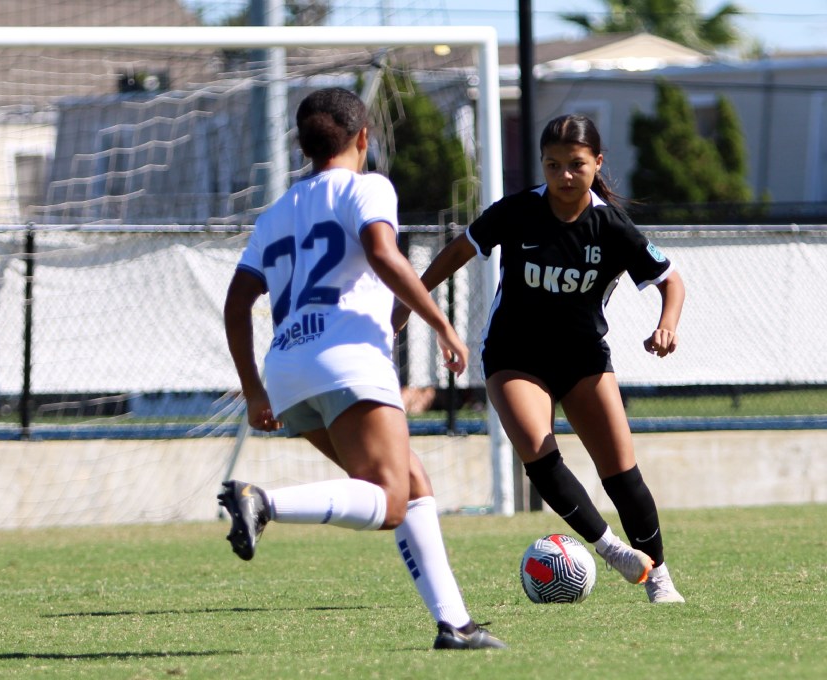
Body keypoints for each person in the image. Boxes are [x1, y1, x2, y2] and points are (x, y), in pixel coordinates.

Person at [220, 87, 507, 650]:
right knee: (389, 499)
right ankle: (264, 500)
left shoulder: (274, 214)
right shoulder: (368, 186)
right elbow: (381, 251)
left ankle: (456, 624)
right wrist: (441, 324)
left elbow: (236, 304)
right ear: (363, 138)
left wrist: (254, 388)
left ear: (303, 147)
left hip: (286, 373)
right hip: (349, 360)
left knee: (410, 482)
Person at [394, 114, 686, 604]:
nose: (564, 176)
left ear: (597, 163)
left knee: (622, 474)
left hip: (583, 358)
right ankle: (610, 549)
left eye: (576, 165)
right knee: (537, 446)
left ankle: (660, 578)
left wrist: (667, 324)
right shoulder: (517, 211)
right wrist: (412, 300)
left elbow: (671, 279)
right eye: (553, 165)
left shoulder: (611, 226)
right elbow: (457, 250)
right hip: (515, 355)